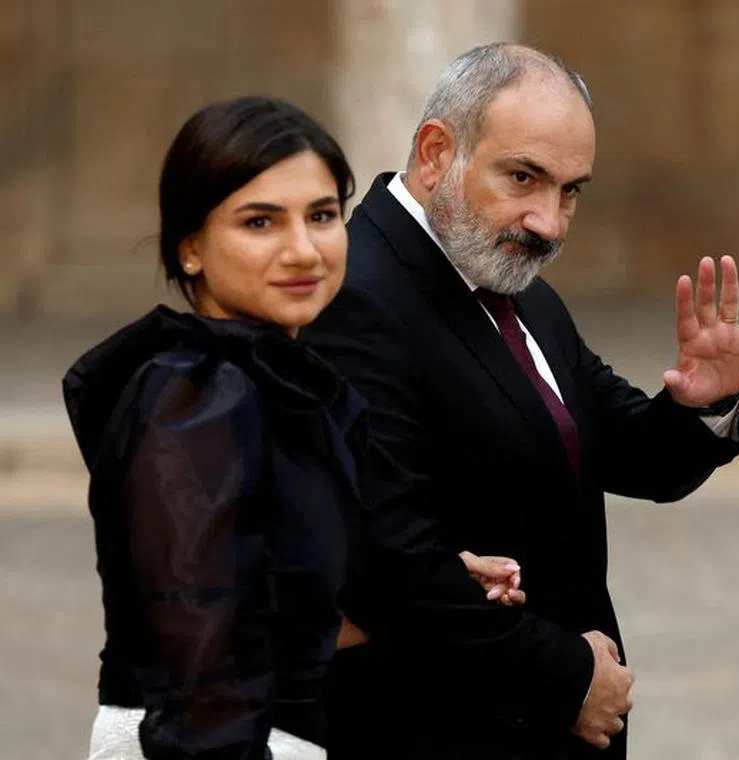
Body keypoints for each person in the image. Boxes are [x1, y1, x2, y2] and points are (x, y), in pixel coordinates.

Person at [64, 95, 595, 760]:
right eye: (260, 223)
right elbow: (201, 673)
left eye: (321, 216)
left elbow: (270, 586)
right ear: (191, 248)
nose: (302, 250)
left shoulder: (278, 375)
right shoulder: (200, 397)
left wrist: (432, 579)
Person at [301, 43, 739, 759]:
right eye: (523, 178)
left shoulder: (511, 282)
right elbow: (394, 563)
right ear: (436, 154)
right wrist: (568, 679)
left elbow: (626, 453)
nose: (549, 222)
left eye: (571, 191)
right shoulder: (356, 294)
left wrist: (706, 403)